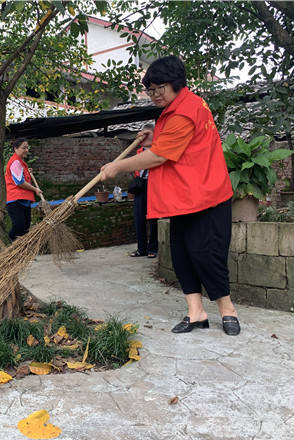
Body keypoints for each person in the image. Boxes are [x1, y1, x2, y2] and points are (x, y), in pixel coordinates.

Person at [100, 56, 240, 336]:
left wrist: (118, 166)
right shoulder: (178, 107)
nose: (153, 95)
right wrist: (153, 137)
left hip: (206, 195)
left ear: (175, 83)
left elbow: (161, 156)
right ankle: (196, 313)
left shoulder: (185, 111)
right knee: (182, 254)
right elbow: (176, 144)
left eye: (158, 88)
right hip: (185, 197)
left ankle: (227, 310)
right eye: (150, 90)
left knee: (207, 254)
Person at [5, 138, 42, 241]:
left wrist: (27, 170)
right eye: (23, 147)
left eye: (27, 147)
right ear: (15, 148)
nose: (26, 150)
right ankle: (10, 239)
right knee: (19, 225)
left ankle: (22, 252)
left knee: (25, 227)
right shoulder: (15, 161)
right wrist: (35, 189)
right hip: (15, 199)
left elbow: (21, 175)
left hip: (24, 199)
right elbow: (20, 182)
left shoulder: (20, 162)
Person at [130, 123, 158, 258]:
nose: (144, 137)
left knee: (153, 219)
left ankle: (153, 249)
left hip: (154, 186)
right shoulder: (139, 151)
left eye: (148, 134)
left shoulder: (158, 151)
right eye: (143, 134)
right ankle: (141, 249)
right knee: (139, 218)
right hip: (141, 186)